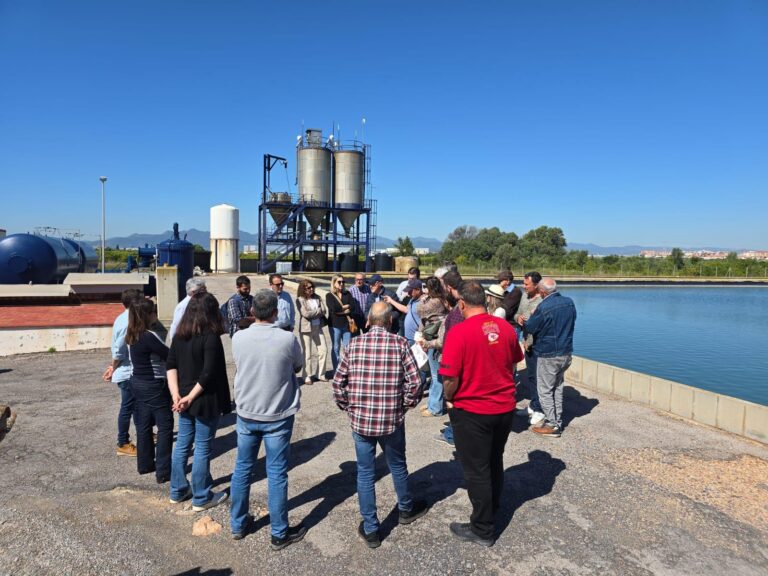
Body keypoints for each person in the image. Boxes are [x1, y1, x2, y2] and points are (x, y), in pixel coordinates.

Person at [332, 301, 429, 548]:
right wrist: (405, 405)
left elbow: (338, 383)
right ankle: (405, 509)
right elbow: (415, 382)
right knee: (397, 466)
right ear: (389, 322)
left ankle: (372, 528)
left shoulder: (354, 345)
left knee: (365, 473)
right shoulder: (399, 344)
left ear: (368, 321)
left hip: (361, 420)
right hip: (391, 420)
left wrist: (348, 406)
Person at [439, 280, 524, 547]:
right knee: (494, 460)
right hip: (504, 408)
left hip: (473, 410)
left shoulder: (459, 333)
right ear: (486, 301)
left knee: (477, 470)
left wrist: (449, 398)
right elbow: (514, 360)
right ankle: (492, 507)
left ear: (462, 303)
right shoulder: (507, 329)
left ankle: (483, 528)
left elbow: (450, 377)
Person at [229, 289, 305, 548]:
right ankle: (279, 532)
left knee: (242, 468)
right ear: (275, 312)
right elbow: (298, 366)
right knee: (276, 472)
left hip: (247, 411)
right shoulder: (286, 338)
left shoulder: (238, 338)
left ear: (252, 312)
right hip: (277, 414)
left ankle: (238, 524)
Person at [167, 292, 232, 511]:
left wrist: (177, 395)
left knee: (183, 445)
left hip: (184, 398)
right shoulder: (210, 336)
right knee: (203, 447)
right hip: (204, 399)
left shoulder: (179, 334)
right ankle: (201, 496)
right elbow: (208, 374)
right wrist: (189, 397)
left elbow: (171, 365)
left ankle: (177, 490)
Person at [518, 278, 577, 438]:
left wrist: (530, 317)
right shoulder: (569, 302)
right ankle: (557, 420)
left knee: (544, 390)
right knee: (557, 388)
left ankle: (552, 424)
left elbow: (531, 327)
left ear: (542, 292)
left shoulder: (544, 306)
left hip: (549, 353)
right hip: (566, 352)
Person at [126, 299, 173, 483]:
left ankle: (144, 464)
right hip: (154, 384)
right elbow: (168, 355)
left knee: (144, 426)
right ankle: (163, 471)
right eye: (153, 311)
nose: (156, 314)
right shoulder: (148, 336)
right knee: (165, 426)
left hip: (137, 382)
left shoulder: (132, 334)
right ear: (147, 315)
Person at [102, 288, 144, 457]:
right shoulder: (128, 321)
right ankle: (123, 442)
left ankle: (144, 433)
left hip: (128, 370)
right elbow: (119, 349)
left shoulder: (122, 318)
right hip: (127, 371)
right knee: (128, 407)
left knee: (136, 406)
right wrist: (113, 366)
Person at [433, 270, 463, 446]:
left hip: (454, 359)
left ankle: (453, 434)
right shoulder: (459, 305)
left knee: (453, 396)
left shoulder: (459, 311)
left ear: (449, 287)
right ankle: (454, 428)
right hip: (455, 356)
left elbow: (450, 338)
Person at [416, 276, 450, 417]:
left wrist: (422, 299)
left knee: (436, 375)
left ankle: (435, 408)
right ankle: (433, 402)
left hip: (435, 339)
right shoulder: (442, 299)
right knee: (434, 374)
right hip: (433, 336)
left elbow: (419, 311)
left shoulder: (435, 302)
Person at [515, 272, 544, 425]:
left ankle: (540, 409)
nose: (524, 287)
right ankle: (534, 405)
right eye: (524, 283)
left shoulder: (543, 300)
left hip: (538, 344)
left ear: (537, 285)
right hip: (526, 343)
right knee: (531, 376)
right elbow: (517, 314)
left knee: (540, 378)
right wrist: (518, 318)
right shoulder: (525, 296)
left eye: (527, 284)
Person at [296, 279, 329, 384]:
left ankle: (321, 374)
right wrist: (317, 311)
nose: (311, 289)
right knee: (307, 353)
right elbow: (305, 314)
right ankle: (307, 376)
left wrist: (316, 312)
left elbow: (324, 311)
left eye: (312, 287)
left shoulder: (317, 297)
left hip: (318, 327)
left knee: (323, 350)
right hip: (306, 329)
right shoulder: (300, 300)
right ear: (303, 289)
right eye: (308, 288)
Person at [326, 274, 356, 372]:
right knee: (336, 347)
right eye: (339, 282)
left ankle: (346, 369)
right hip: (334, 325)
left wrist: (341, 310)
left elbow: (353, 306)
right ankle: (336, 370)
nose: (342, 284)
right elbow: (333, 308)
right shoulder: (329, 295)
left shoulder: (347, 294)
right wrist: (345, 309)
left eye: (343, 282)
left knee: (347, 348)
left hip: (346, 325)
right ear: (334, 283)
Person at [169, 277, 206, 342]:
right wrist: (173, 343)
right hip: (187, 340)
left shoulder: (201, 302)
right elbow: (175, 325)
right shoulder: (183, 306)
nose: (205, 291)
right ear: (193, 292)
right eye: (202, 290)